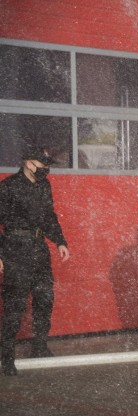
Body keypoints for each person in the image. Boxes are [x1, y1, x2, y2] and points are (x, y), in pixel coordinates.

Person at [0, 147, 71, 375]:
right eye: (42, 164)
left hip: (39, 249)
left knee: (45, 298)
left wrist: (60, 241)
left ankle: (39, 346)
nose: (46, 169)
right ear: (29, 163)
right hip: (15, 249)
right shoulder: (8, 187)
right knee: (14, 307)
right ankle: (7, 358)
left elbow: (49, 216)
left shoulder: (43, 186)